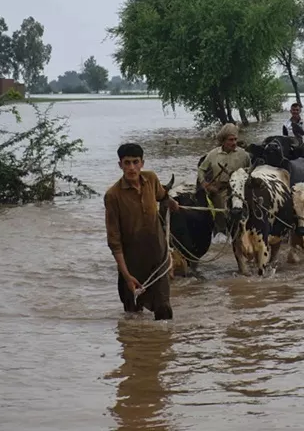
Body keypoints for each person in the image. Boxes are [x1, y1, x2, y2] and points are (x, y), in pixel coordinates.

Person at [104, 143, 179, 320]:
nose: (131, 168)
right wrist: (127, 276)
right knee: (132, 317)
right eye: (127, 163)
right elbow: (114, 241)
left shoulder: (151, 179)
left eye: (135, 162)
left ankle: (162, 346)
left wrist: (173, 204)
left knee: (164, 312)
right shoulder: (113, 196)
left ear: (142, 163)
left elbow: (162, 196)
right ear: (120, 165)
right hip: (132, 265)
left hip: (157, 259)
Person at [197, 123, 251, 235]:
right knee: (221, 210)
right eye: (230, 140)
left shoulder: (244, 155)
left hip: (240, 190)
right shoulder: (212, 155)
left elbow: (250, 171)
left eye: (235, 139)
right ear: (223, 141)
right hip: (220, 190)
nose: (234, 143)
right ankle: (221, 232)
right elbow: (201, 169)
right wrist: (204, 183)